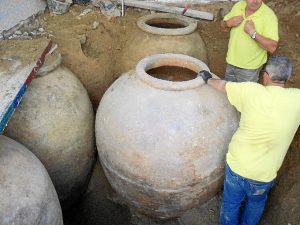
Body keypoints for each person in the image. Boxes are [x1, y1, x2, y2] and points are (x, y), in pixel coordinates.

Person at [198, 56, 300, 225]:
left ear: (266, 75)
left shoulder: (251, 91)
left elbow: (222, 85)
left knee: (231, 203)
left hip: (238, 165)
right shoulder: (297, 99)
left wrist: (207, 79)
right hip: (263, 175)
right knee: (256, 203)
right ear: (287, 78)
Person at [221, 0, 279, 82]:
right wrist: (227, 23)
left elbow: (272, 48)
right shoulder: (238, 6)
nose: (255, 1)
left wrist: (253, 33)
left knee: (245, 94)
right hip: (230, 63)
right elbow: (223, 28)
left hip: (249, 70)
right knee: (229, 92)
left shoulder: (269, 16)